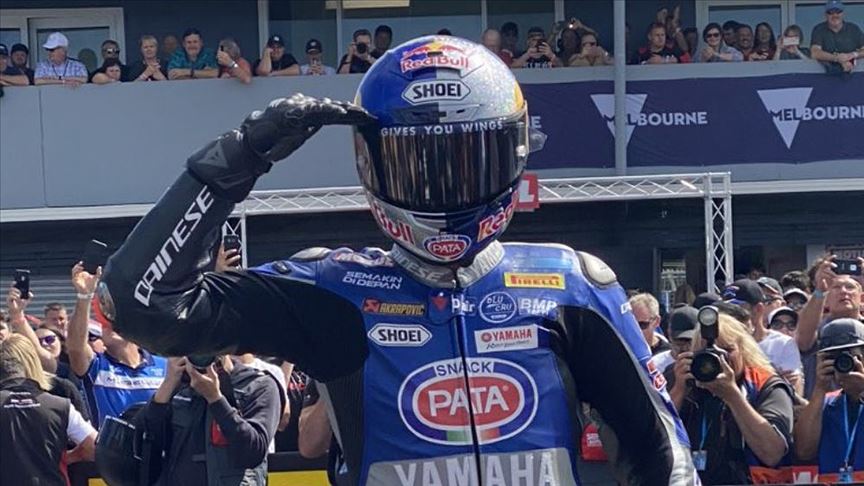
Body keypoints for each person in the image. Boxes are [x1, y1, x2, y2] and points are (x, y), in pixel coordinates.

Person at [99, 35, 699, 485]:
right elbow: (140, 306)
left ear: (513, 151)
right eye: (417, 166)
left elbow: (661, 452)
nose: (444, 189)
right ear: (370, 163)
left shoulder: (572, 284)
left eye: (470, 161)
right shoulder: (331, 290)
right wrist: (234, 161)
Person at [674, 314, 794, 484]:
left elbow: (772, 453)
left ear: (743, 350)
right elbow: (654, 441)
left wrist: (733, 396)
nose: (719, 359)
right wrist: (678, 390)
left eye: (727, 351)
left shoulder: (765, 385)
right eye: (708, 353)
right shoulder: (685, 382)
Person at [139, 355, 282, 485]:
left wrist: (216, 399)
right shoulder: (179, 385)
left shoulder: (257, 385)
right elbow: (144, 449)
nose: (202, 352)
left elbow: (253, 452)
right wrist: (167, 386)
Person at [67, 262, 167, 427]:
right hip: (111, 443)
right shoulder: (97, 367)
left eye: (116, 320)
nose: (109, 325)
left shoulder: (165, 367)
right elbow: (75, 348)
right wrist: (84, 296)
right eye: (104, 323)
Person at [0, 335, 97, 486]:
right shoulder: (60, 406)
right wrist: (68, 457)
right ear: (33, 363)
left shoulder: (60, 405)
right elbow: (94, 448)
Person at [795, 318, 864, 483]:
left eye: (851, 355)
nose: (844, 362)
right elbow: (804, 452)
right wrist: (820, 388)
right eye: (835, 357)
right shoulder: (825, 403)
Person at [797, 256, 864, 398]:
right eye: (836, 287)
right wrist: (819, 290)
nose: (844, 291)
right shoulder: (817, 329)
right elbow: (803, 340)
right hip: (822, 405)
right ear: (826, 300)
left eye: (850, 287)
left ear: (861, 298)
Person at [810, 0, 864, 74]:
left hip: (853, 74)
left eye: (838, 12)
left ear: (843, 14)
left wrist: (852, 55)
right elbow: (815, 53)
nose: (835, 15)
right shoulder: (819, 29)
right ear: (825, 15)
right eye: (830, 12)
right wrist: (836, 58)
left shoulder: (853, 29)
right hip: (825, 75)